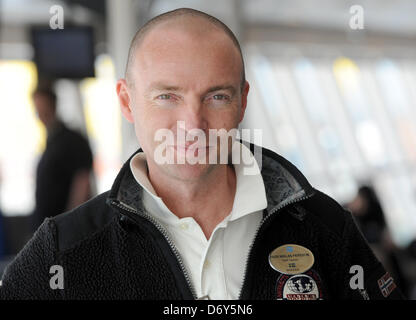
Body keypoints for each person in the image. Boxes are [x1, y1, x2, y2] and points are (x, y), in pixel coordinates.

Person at [0, 8, 404, 300]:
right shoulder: (64, 250)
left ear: (242, 102)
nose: (192, 125)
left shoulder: (325, 228)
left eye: (216, 96)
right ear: (126, 101)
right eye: (167, 96)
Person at [30, 86, 94, 231]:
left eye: (43, 107)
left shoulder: (72, 140)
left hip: (63, 228)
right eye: (37, 108)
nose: (40, 113)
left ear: (53, 105)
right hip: (47, 229)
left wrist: (70, 225)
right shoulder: (50, 142)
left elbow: (82, 183)